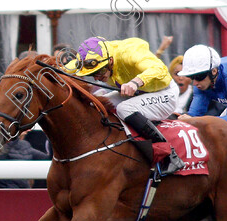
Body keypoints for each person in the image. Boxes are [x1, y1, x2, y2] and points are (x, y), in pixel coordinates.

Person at [68, 37, 185, 175]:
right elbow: (64, 68)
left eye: (98, 72)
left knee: (124, 109)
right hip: (139, 93)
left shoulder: (129, 52)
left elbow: (159, 69)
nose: (96, 78)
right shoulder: (101, 57)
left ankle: (170, 155)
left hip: (165, 93)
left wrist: (135, 82)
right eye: (91, 74)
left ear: (110, 61)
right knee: (98, 103)